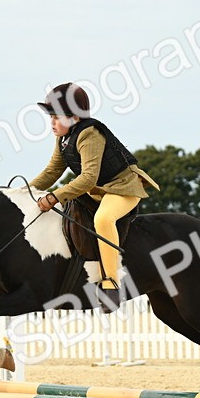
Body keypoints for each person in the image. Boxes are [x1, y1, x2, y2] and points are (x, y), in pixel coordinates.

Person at [29, 82, 159, 309]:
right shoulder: (64, 138)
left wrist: (54, 197)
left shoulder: (90, 135)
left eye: (56, 116)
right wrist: (24, 192)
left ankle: (110, 283)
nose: (52, 122)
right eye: (51, 116)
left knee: (103, 219)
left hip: (123, 187)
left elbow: (88, 178)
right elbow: (52, 172)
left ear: (74, 117)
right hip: (99, 190)